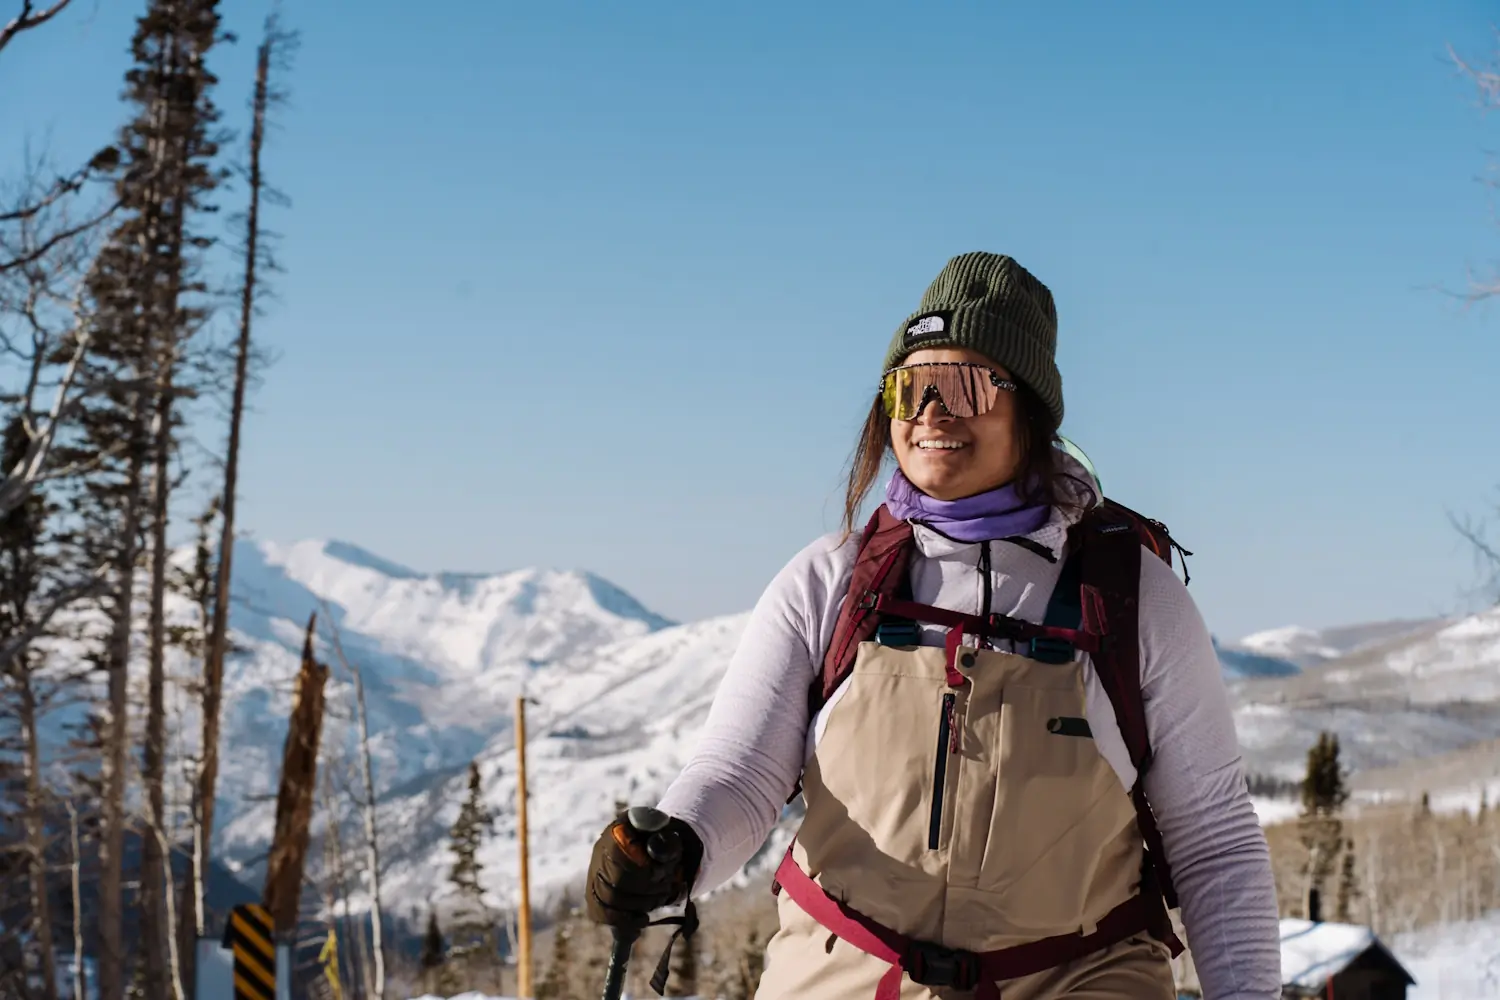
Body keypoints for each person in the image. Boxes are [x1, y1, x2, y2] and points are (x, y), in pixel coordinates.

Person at [585, 251, 1280, 999]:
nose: (930, 413)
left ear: (1031, 412)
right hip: (846, 976)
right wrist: (678, 848)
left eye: (967, 386)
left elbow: (1213, 838)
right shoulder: (831, 580)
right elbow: (742, 772)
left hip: (1079, 977)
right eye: (908, 388)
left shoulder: (1131, 598)